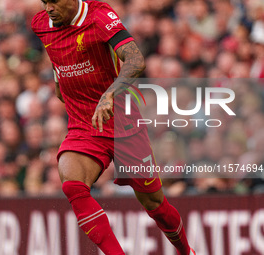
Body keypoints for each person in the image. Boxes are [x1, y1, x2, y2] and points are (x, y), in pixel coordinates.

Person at [31, 0, 196, 254]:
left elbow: (136, 60)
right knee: (72, 185)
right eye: (44, 2)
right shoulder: (41, 24)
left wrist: (109, 94)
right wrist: (62, 83)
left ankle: (187, 251)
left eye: (54, 0)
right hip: (85, 126)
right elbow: (57, 61)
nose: (49, 8)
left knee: (155, 204)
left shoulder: (100, 15)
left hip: (124, 124)